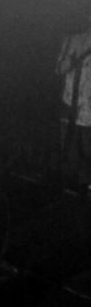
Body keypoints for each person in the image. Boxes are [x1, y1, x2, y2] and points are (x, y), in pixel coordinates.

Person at [56, 14, 91, 193]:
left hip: (89, 110)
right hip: (69, 106)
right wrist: (70, 60)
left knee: (88, 152)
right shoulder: (71, 40)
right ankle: (70, 193)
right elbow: (59, 69)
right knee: (69, 152)